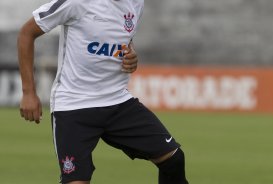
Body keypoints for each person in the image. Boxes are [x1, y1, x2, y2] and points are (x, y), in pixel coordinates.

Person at [18, 0, 189, 183]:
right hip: (74, 106)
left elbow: (123, 38)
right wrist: (29, 92)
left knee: (173, 159)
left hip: (118, 102)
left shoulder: (136, 3)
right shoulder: (76, 3)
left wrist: (131, 55)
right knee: (77, 180)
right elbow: (26, 33)